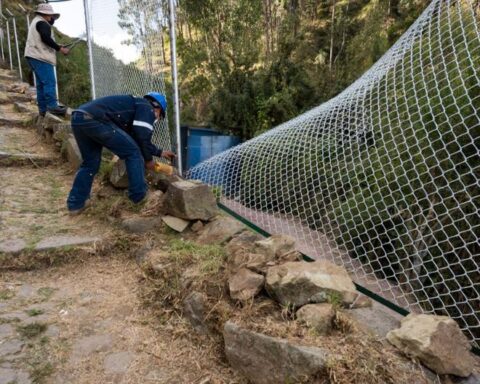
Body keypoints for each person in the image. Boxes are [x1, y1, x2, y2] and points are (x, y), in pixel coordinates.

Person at [66, 93, 176, 215]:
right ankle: (139, 197)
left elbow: (137, 138)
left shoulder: (134, 107)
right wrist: (149, 161)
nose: (157, 118)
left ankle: (75, 204)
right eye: (160, 116)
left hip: (79, 118)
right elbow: (142, 137)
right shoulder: (147, 107)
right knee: (133, 153)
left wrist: (159, 152)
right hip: (96, 120)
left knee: (90, 164)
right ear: (158, 108)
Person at [24, 3, 69, 117]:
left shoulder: (36, 22)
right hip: (40, 57)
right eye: (51, 16)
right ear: (45, 14)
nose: (52, 18)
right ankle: (52, 107)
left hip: (33, 55)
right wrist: (59, 49)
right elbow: (45, 37)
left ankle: (43, 110)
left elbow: (42, 39)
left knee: (41, 84)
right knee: (49, 82)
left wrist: (57, 44)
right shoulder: (43, 23)